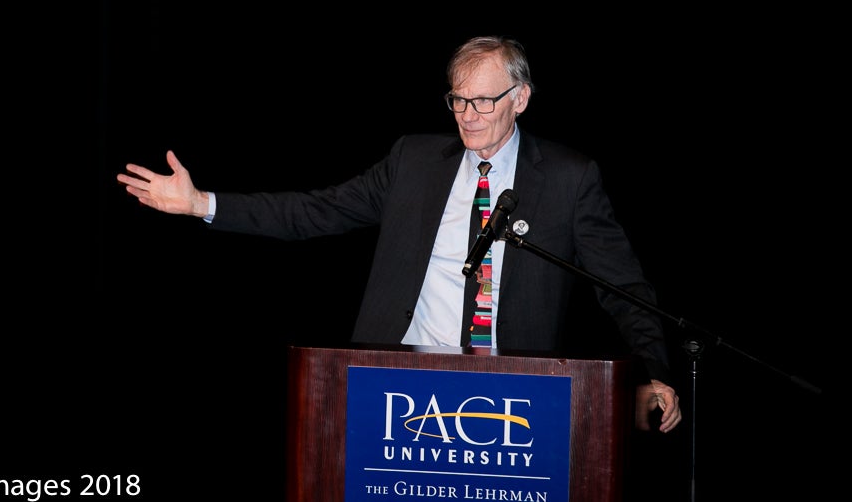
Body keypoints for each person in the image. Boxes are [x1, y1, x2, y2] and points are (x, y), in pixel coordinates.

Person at [116, 35, 682, 434]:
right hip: (399, 385)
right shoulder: (413, 161)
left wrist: (655, 372)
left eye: (484, 101)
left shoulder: (568, 178)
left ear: (521, 99)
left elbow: (621, 285)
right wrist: (203, 204)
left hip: (513, 397)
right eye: (458, 100)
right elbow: (314, 212)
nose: (468, 115)